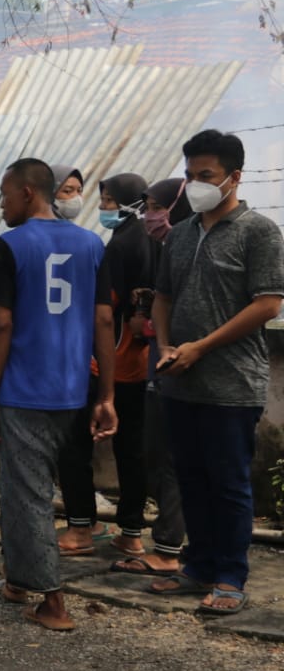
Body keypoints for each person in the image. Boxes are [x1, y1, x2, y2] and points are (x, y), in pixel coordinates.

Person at [0, 157, 117, 632]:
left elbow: (0, 323)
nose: (2, 204)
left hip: (25, 388)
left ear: (28, 194)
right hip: (73, 388)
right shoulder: (92, 244)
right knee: (18, 491)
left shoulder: (10, 246)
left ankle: (53, 601)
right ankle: (18, 580)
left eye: (5, 195)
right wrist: (106, 394)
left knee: (30, 494)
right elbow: (103, 321)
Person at [149, 129, 284, 614]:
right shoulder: (181, 235)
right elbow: (163, 296)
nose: (195, 184)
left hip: (232, 385)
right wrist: (166, 346)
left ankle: (230, 575)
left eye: (205, 176)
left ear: (233, 178)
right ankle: (198, 565)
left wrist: (200, 348)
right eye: (190, 176)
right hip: (180, 381)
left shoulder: (259, 232)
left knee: (228, 483)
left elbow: (268, 304)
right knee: (191, 477)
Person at [56, 173, 152, 557]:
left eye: (109, 201)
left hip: (107, 362)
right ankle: (131, 532)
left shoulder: (117, 247)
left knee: (75, 443)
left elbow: (105, 310)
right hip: (140, 361)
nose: (103, 208)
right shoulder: (153, 239)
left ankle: (81, 527)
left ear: (129, 203)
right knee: (132, 449)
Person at [110, 178, 192, 576]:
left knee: (167, 460)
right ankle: (170, 545)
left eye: (157, 207)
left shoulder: (185, 249)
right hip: (156, 367)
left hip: (177, 369)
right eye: (147, 208)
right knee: (157, 457)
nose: (150, 216)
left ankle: (169, 550)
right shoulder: (167, 246)